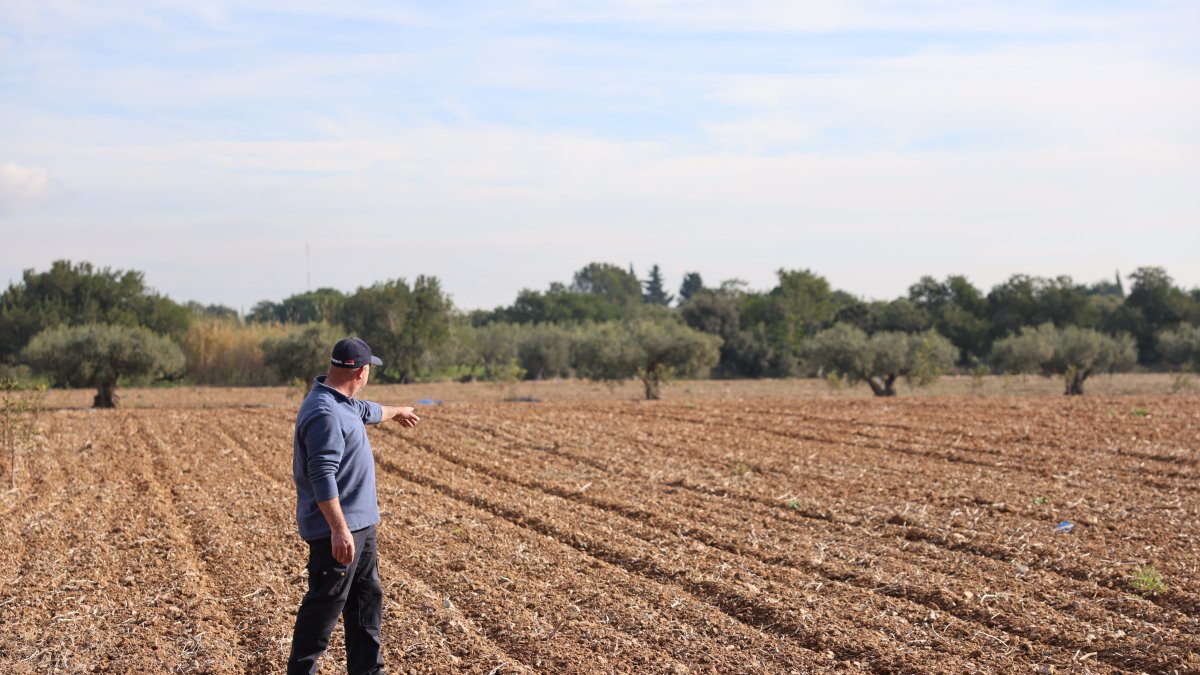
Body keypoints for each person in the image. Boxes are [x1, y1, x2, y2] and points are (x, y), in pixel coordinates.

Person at [287, 336, 421, 675]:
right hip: (338, 530)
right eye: (369, 369)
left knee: (365, 604)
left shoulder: (342, 401)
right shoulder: (324, 412)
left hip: (361, 526)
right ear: (360, 372)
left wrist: (398, 412)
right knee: (324, 608)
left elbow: (369, 411)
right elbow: (322, 474)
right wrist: (338, 529)